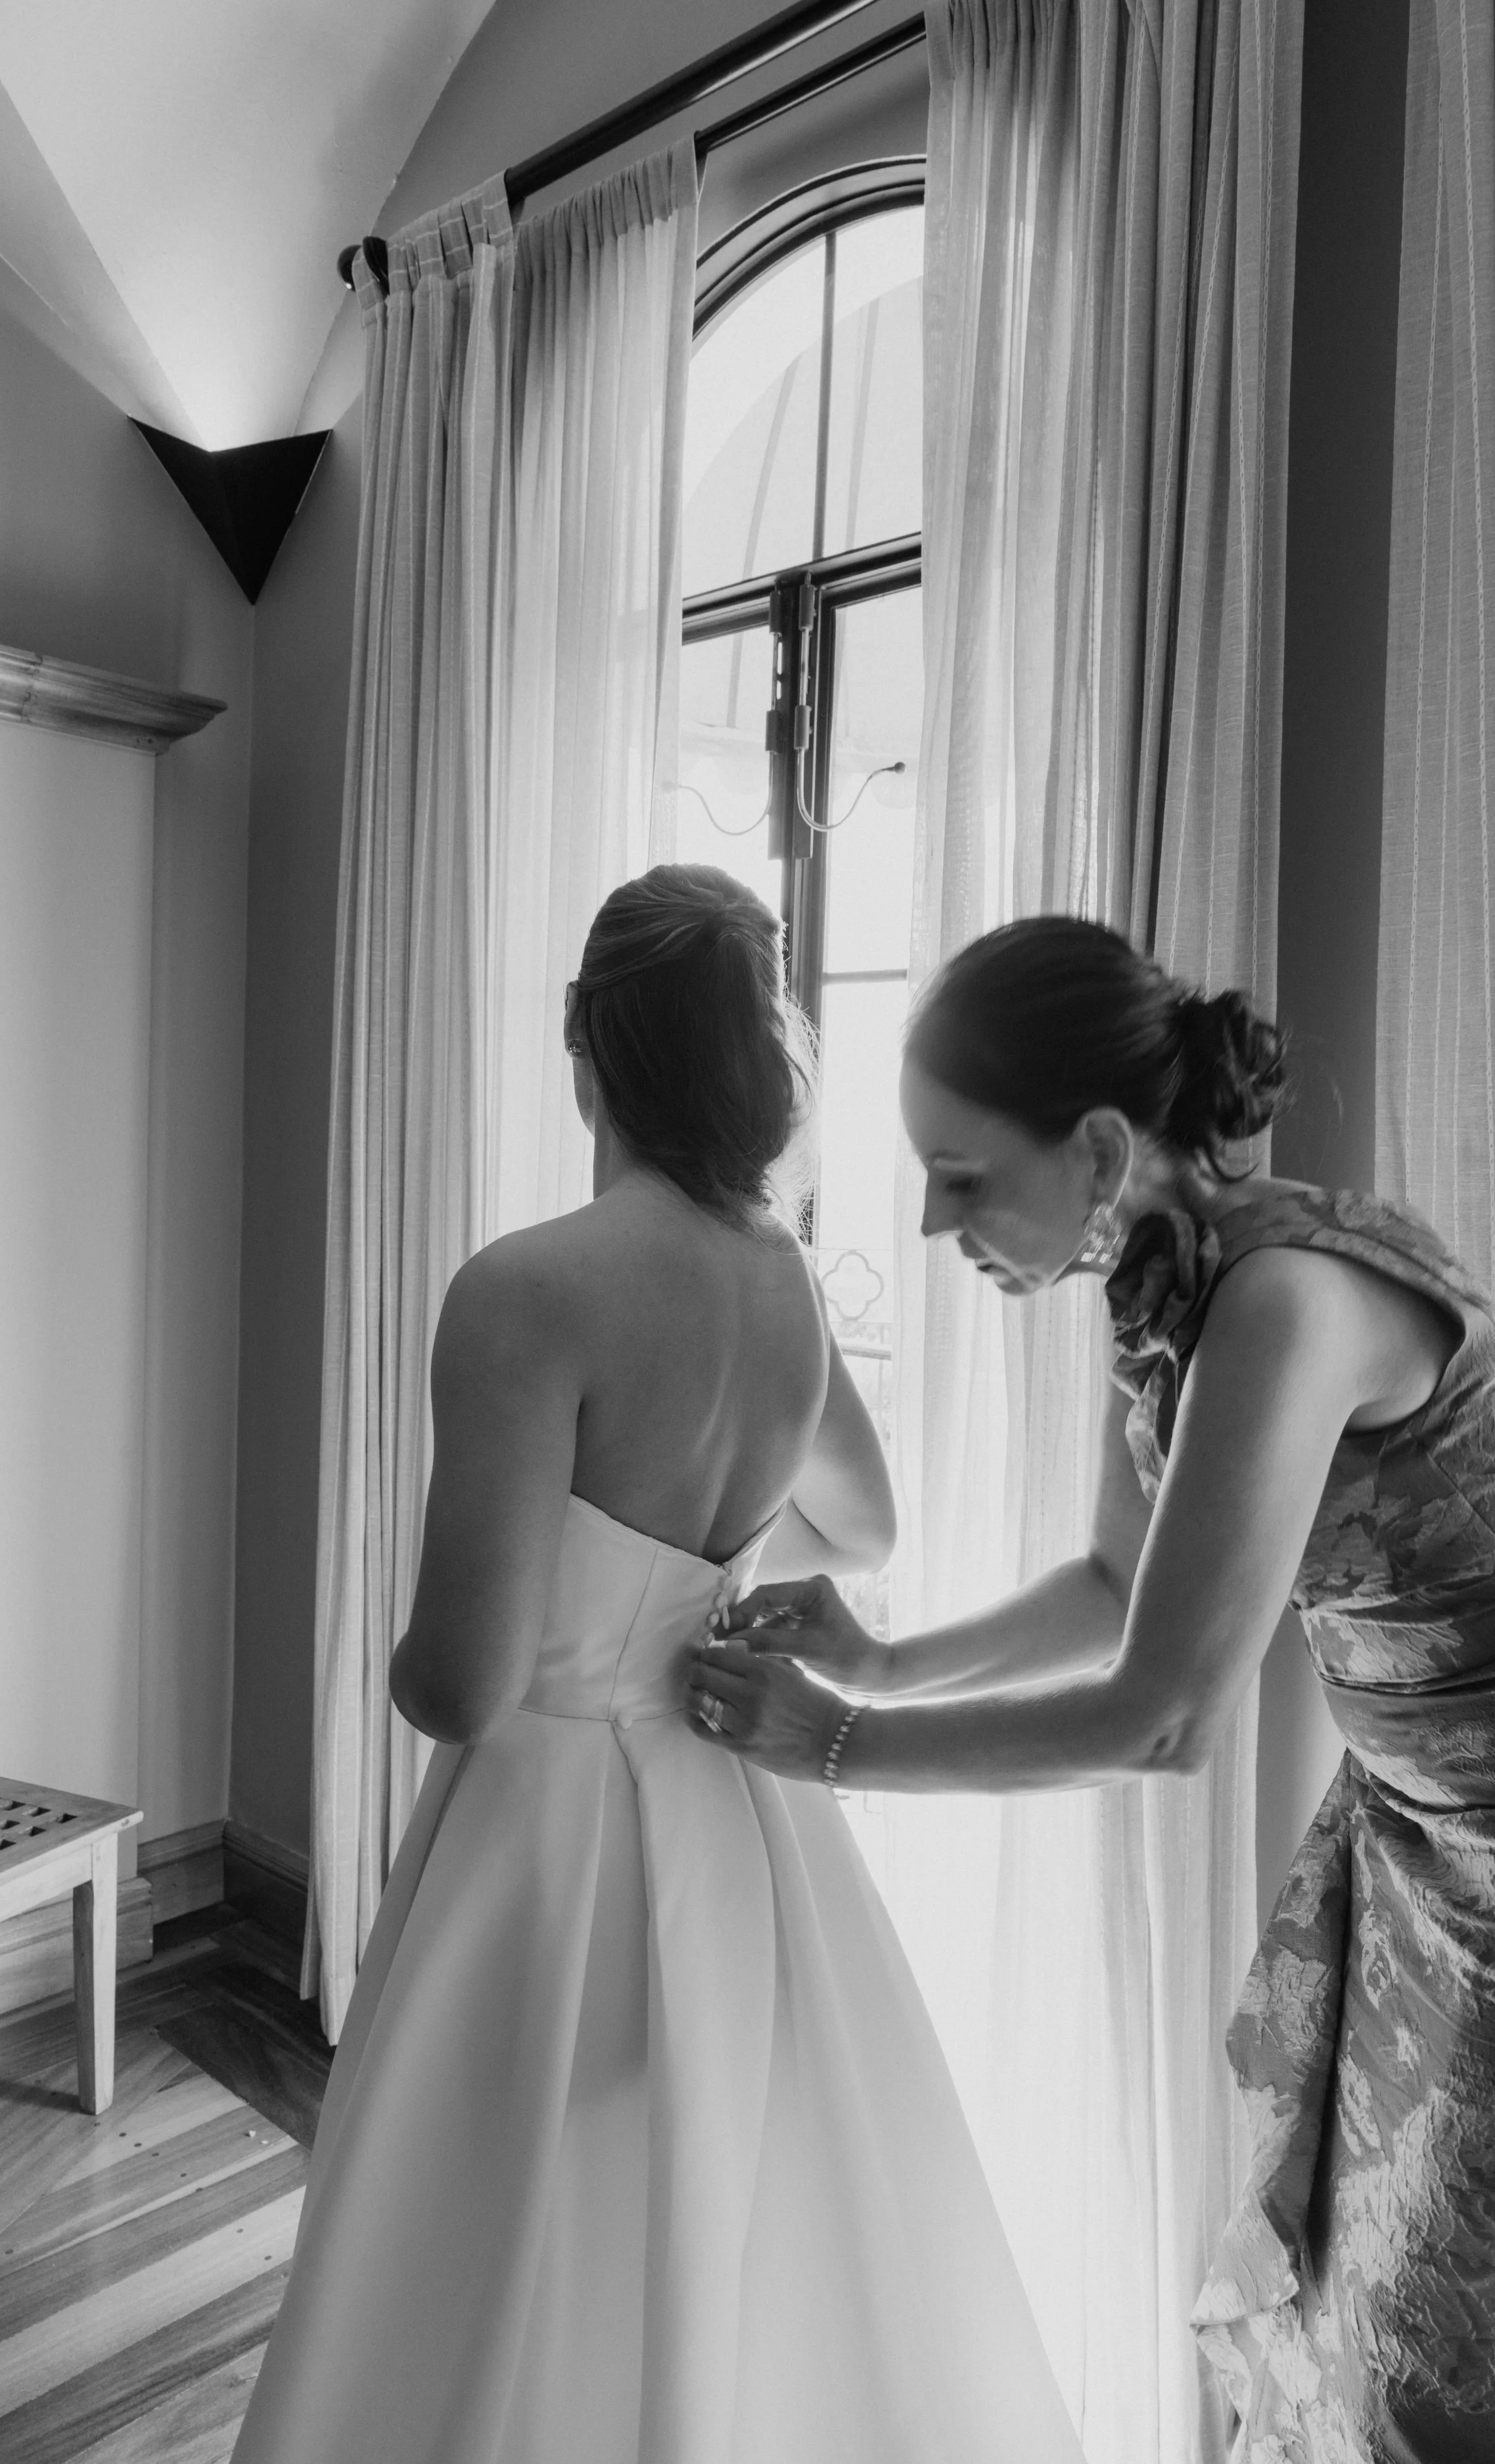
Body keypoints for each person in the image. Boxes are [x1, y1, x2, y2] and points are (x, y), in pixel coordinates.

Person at [687, 915, 1495, 2462]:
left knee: (1447, 2356)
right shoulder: (1167, 1301)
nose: (932, 1222)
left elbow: (1169, 1712)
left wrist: (843, 1742)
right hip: (1430, 1835)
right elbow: (1115, 1592)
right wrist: (869, 1653)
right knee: (1355, 2300)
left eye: (962, 1174)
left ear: (1104, 1143)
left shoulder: (1278, 1302)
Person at [233, 866, 1084, 2464]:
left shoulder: (529, 1289)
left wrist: (431, 1645)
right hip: (725, 1811)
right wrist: (705, 1600)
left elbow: (465, 1686)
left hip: (542, 1840)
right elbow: (867, 1525)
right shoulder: (781, 1278)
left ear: (584, 1039)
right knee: (690, 2209)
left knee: (486, 2235)